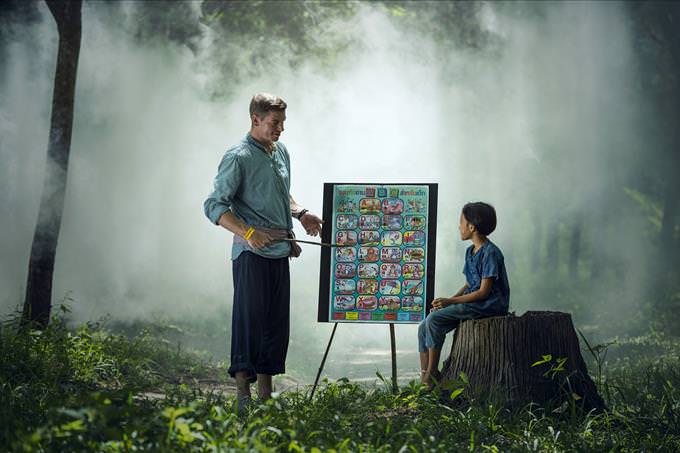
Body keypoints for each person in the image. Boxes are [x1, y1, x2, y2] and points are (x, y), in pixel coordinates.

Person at [203, 93, 323, 412]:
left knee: (275, 325)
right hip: (250, 255)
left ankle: (266, 397)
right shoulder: (238, 156)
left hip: (280, 252)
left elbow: (280, 193)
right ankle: (243, 396)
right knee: (249, 322)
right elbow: (214, 206)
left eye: (283, 123)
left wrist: (301, 214)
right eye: (274, 123)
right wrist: (250, 233)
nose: (280, 129)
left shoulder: (280, 150)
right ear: (255, 119)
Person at [417, 202, 510, 388]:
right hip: (473, 302)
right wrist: (446, 302)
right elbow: (469, 283)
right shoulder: (470, 251)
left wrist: (450, 301)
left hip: (489, 305)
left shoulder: (490, 252)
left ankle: (431, 375)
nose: (458, 226)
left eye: (461, 222)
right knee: (423, 325)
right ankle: (425, 374)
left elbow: (483, 292)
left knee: (434, 320)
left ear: (472, 227)